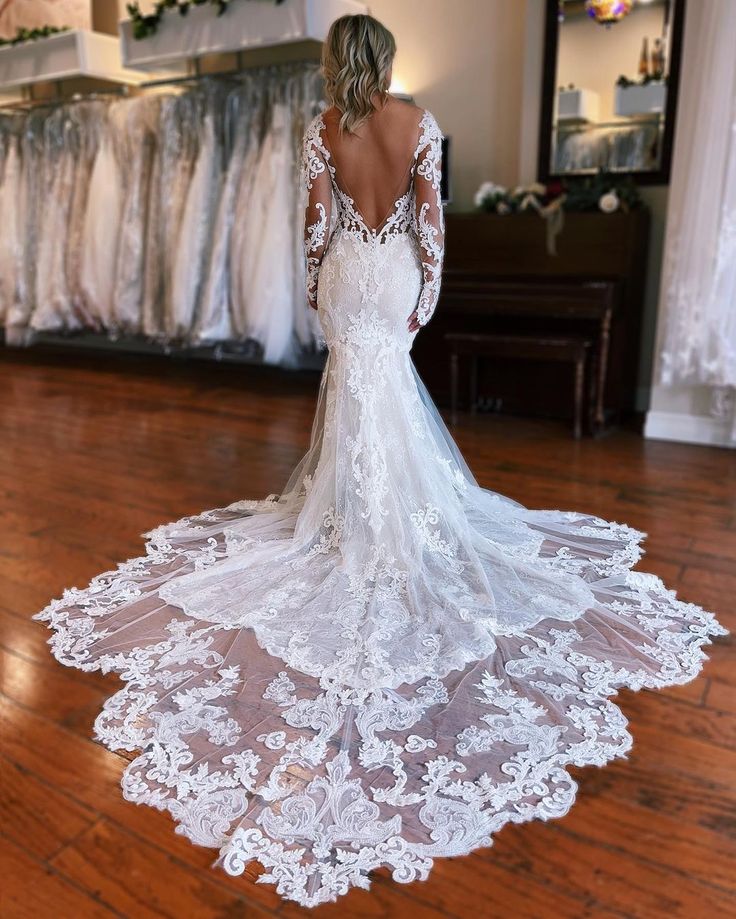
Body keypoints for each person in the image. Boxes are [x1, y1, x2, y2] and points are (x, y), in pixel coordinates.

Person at [36, 13, 726, 909]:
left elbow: (316, 225)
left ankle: (350, 516)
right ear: (387, 61)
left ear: (334, 63)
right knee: (386, 391)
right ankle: (385, 516)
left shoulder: (322, 127)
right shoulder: (417, 122)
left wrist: (323, 290)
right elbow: (431, 220)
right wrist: (425, 293)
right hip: (394, 270)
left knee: (353, 395)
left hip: (347, 279)